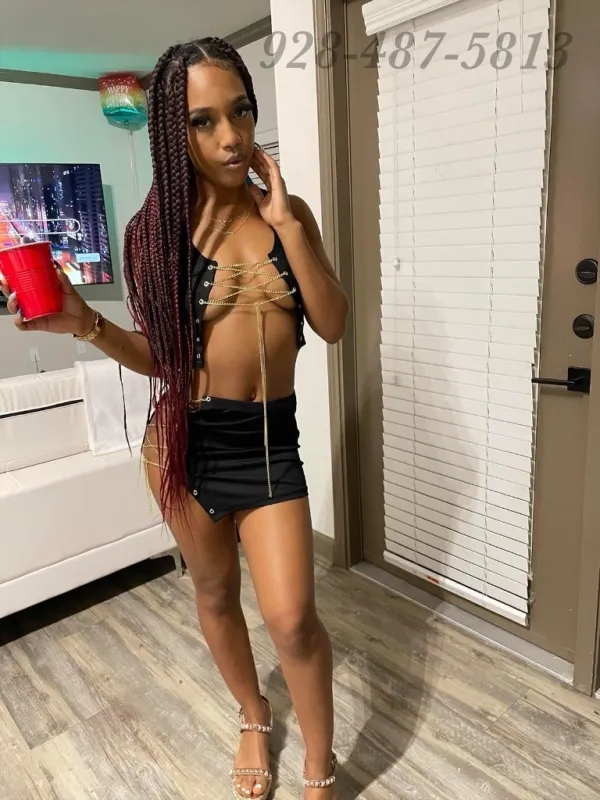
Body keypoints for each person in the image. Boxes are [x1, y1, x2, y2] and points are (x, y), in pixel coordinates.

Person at [1, 37, 348, 800]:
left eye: (241, 112)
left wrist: (289, 225)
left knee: (292, 619)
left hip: (268, 446)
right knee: (216, 594)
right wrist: (87, 325)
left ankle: (319, 770)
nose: (231, 137)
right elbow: (163, 361)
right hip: (184, 444)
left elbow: (333, 323)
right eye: (203, 121)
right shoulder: (152, 238)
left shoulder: (287, 218)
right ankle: (254, 716)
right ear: (171, 130)